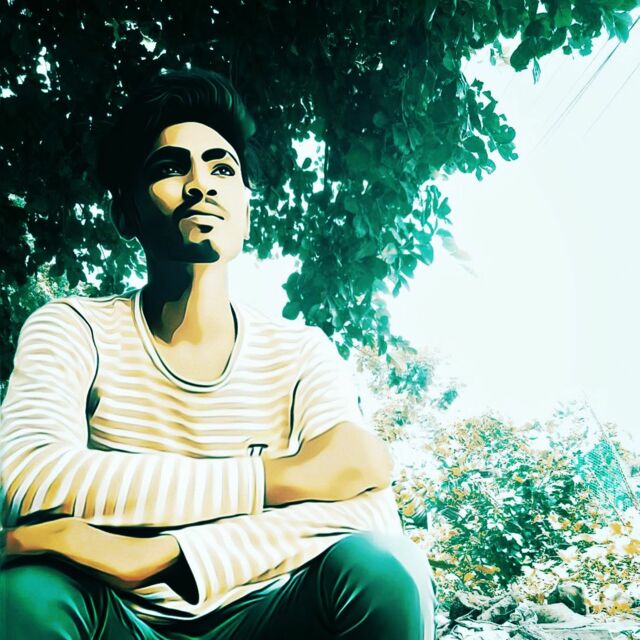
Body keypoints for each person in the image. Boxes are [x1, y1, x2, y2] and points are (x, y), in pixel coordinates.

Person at [0, 67, 437, 639]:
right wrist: (279, 479)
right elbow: (29, 479)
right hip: (116, 616)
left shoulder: (301, 351)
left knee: (385, 569)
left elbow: (370, 505)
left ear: (247, 208)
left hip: (271, 613)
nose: (200, 184)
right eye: (169, 168)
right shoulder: (73, 327)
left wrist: (168, 555)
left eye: (222, 168)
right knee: (23, 595)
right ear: (125, 211)